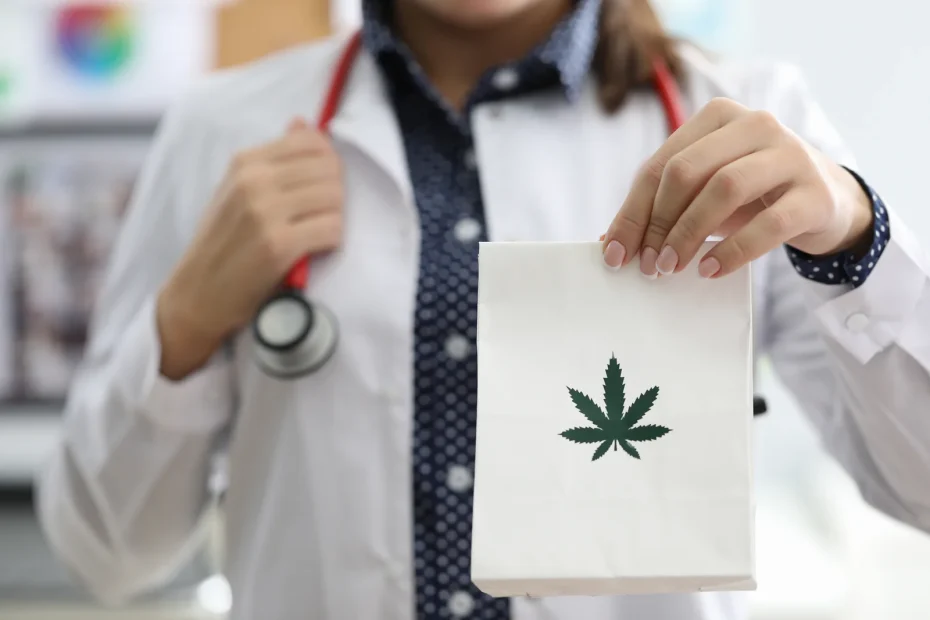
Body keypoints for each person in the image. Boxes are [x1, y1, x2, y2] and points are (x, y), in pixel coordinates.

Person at [36, 0, 930, 619]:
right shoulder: (223, 131)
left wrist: (854, 236)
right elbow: (106, 553)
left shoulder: (747, 121)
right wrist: (185, 322)